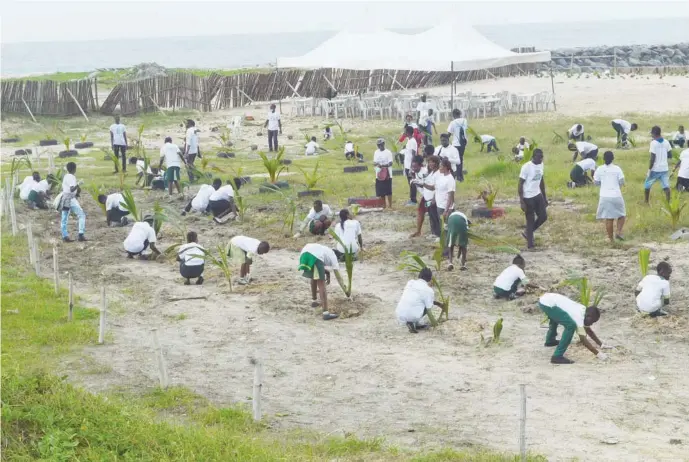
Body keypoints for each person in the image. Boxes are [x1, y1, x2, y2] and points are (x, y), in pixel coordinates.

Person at [538, 292, 610, 364]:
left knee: (556, 317)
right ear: (588, 316)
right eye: (592, 321)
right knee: (571, 325)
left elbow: (588, 330)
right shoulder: (579, 317)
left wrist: (601, 344)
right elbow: (583, 340)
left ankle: (550, 341)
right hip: (547, 303)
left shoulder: (583, 310)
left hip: (547, 300)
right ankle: (557, 356)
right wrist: (598, 354)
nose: (591, 324)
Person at [298, 243, 346, 321]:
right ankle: (326, 313)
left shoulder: (325, 250)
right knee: (321, 284)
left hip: (304, 253)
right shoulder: (333, 256)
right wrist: (345, 290)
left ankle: (314, 301)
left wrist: (327, 273)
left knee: (314, 277)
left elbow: (320, 267)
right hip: (314, 256)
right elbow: (338, 277)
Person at [395, 268, 446, 333]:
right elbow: (428, 311)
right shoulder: (429, 290)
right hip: (412, 316)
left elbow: (417, 298)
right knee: (427, 305)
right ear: (430, 279)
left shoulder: (410, 282)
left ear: (419, 275)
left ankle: (413, 323)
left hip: (399, 313)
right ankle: (413, 323)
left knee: (418, 302)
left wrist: (438, 304)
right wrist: (435, 324)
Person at [519, 149, 547, 249]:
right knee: (530, 220)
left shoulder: (541, 164)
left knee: (543, 217)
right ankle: (530, 245)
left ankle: (527, 232)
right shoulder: (526, 167)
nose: (541, 159)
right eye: (539, 157)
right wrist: (522, 201)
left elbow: (541, 180)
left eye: (542, 157)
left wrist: (544, 196)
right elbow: (520, 184)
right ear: (534, 157)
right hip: (528, 197)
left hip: (537, 194)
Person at [410, 155, 440, 238]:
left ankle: (436, 233)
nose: (413, 168)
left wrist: (419, 183)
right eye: (412, 167)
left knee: (432, 213)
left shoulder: (426, 172)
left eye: (415, 167)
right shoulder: (418, 172)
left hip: (432, 197)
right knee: (425, 211)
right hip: (426, 197)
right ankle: (427, 231)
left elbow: (431, 186)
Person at [60, 162, 86, 243]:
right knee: (81, 215)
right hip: (70, 199)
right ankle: (81, 235)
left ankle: (65, 236)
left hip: (65, 198)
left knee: (64, 218)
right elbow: (72, 189)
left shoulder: (66, 176)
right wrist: (79, 184)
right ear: (74, 169)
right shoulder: (71, 177)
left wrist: (77, 191)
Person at [645, 125, 672, 204]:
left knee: (647, 185)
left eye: (652, 134)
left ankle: (646, 202)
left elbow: (652, 158)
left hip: (655, 169)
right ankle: (668, 202)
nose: (651, 135)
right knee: (666, 186)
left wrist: (649, 170)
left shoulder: (653, 143)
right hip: (664, 168)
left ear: (654, 133)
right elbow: (670, 155)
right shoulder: (666, 142)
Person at [447, 109, 468, 181]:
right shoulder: (465, 121)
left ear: (453, 115)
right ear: (460, 114)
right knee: (460, 159)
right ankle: (460, 176)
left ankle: (457, 176)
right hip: (463, 143)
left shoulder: (452, 123)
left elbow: (449, 134)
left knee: (455, 160)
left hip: (455, 143)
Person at [373, 138, 393, 209]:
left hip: (387, 174)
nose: (380, 146)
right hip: (379, 174)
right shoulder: (376, 152)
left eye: (381, 144)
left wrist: (383, 166)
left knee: (388, 191)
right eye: (378, 145)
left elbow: (390, 163)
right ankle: (383, 205)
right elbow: (374, 162)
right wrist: (377, 164)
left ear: (384, 144)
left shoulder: (388, 152)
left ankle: (390, 205)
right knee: (381, 192)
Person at [434, 158, 456, 223]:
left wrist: (447, 210)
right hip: (439, 205)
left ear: (445, 167)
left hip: (444, 207)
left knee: (445, 225)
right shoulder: (441, 176)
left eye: (441, 166)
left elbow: (451, 196)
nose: (439, 168)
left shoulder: (450, 179)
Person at [402, 125, 419, 206]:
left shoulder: (412, 141)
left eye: (405, 131)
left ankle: (414, 200)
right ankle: (411, 198)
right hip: (407, 165)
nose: (404, 132)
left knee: (412, 183)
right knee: (410, 183)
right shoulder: (408, 140)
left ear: (408, 132)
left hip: (410, 166)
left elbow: (413, 154)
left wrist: (411, 167)